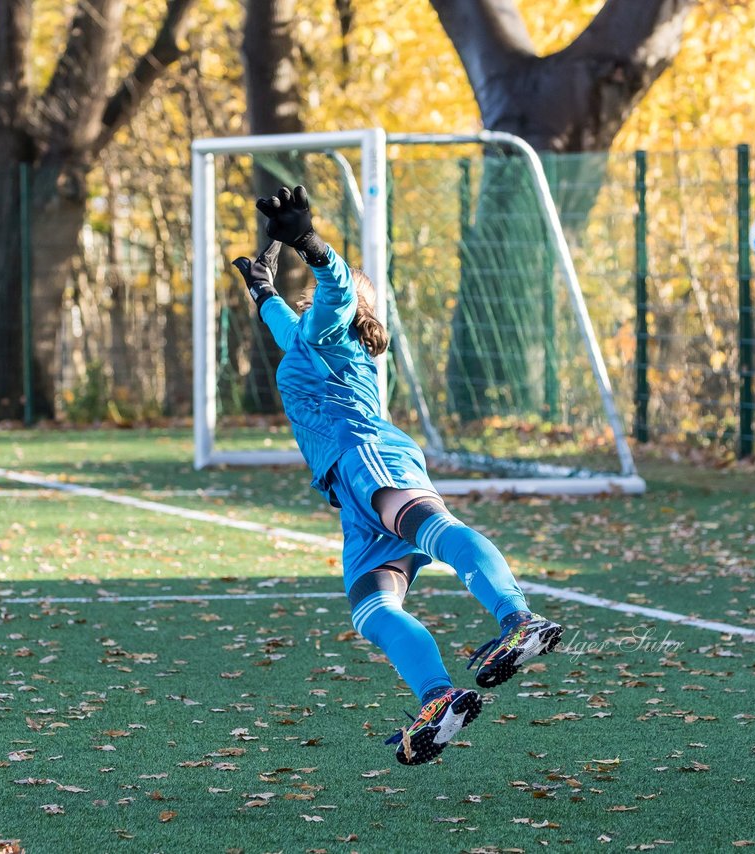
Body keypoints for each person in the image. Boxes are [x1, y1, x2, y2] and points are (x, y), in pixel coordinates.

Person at [231, 186, 562, 766]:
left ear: (353, 306)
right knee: (372, 610)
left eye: (314, 296)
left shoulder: (332, 324)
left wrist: (309, 243)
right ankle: (439, 699)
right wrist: (263, 291)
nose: (307, 300)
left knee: (432, 525)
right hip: (348, 487)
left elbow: (332, 288)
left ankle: (517, 618)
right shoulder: (310, 343)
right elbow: (288, 329)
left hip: (367, 453)